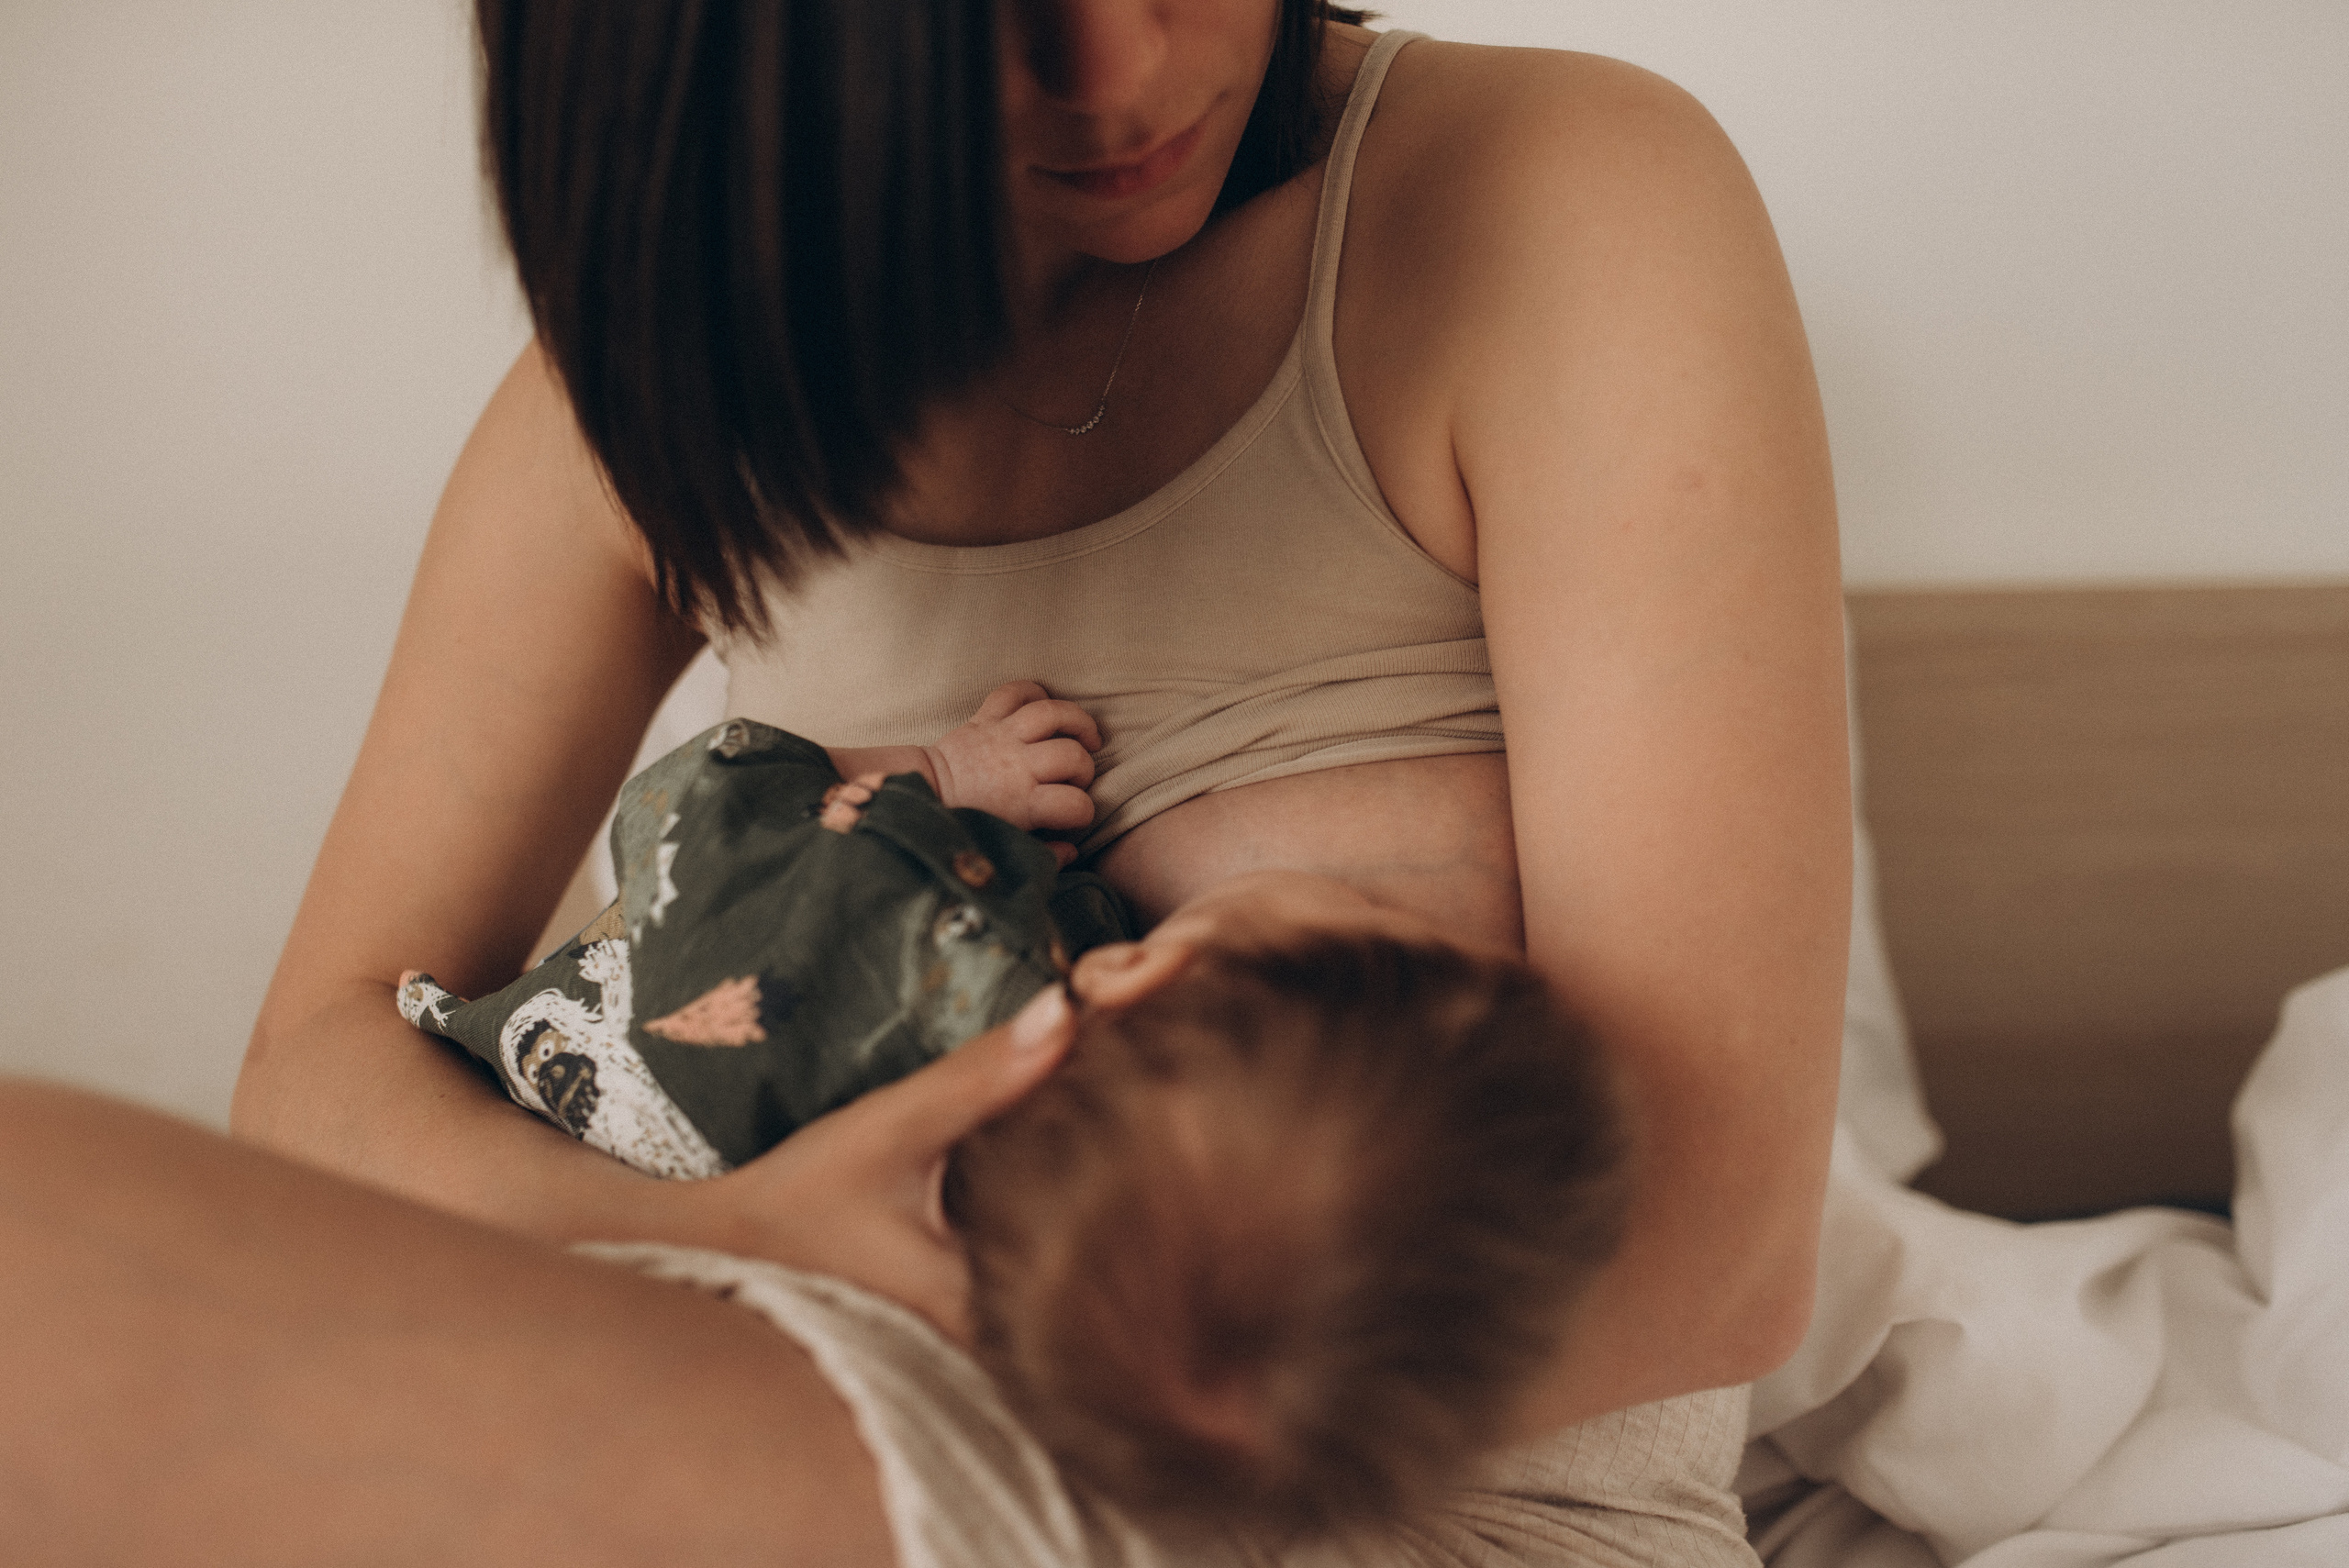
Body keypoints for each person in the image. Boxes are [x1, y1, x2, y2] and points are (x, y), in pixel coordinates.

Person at [0, 3, 1848, 1562]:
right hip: (771, 1369)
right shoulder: (660, 398)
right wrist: (720, 1243)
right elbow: (318, 1077)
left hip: (1389, 1491)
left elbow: (1718, 1255)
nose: (1120, 71)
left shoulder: (1549, 199)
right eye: (990, 15)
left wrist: (968, 1338)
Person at [396, 695, 1627, 1540]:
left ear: (1139, 971)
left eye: (1384, 920)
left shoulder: (920, 923)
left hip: (480, 1103)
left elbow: (688, 801)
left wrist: (939, 778)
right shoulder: (1033, 1310)